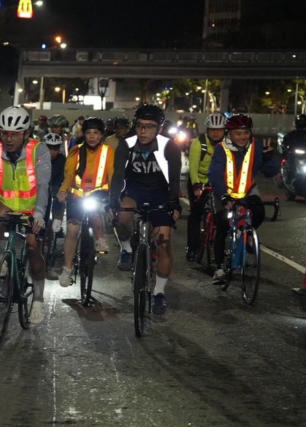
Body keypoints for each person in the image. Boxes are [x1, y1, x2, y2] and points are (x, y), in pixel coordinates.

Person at [0, 106, 50, 324]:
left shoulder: (39, 151)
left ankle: (38, 298)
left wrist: (40, 214)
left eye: (14, 134)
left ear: (26, 133)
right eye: (5, 133)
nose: (8, 138)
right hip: (6, 203)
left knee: (34, 246)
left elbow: (43, 185)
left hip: (35, 205)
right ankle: (3, 256)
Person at [110, 104, 181, 316]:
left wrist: (174, 202)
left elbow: (175, 178)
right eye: (139, 126)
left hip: (160, 191)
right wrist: (113, 200)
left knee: (163, 243)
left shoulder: (170, 146)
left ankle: (159, 292)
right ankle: (126, 248)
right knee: (122, 218)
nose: (143, 131)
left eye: (149, 127)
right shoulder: (126, 144)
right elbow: (118, 176)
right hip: (135, 189)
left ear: (159, 128)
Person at [207, 114, 279, 284]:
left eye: (246, 133)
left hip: (248, 189)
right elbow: (215, 175)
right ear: (229, 133)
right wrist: (224, 196)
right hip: (224, 191)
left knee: (259, 212)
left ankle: (246, 237)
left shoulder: (256, 146)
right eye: (238, 133)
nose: (242, 137)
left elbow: (268, 172)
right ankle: (218, 268)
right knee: (223, 225)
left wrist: (271, 159)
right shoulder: (221, 149)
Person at [57, 118, 114, 287]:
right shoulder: (76, 151)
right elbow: (68, 174)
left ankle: (100, 239)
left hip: (98, 194)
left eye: (96, 133)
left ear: (102, 135)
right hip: (77, 196)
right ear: (84, 134)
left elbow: (112, 173)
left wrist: (113, 198)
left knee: (97, 213)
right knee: (73, 229)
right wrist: (63, 190)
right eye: (88, 133)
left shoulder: (108, 151)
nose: (92, 136)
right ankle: (67, 269)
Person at [185, 113, 227, 261]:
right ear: (207, 130)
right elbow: (193, 167)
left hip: (219, 182)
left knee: (224, 215)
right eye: (212, 129)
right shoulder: (198, 143)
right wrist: (196, 185)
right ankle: (192, 247)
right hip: (200, 180)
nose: (216, 133)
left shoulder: (228, 144)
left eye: (219, 130)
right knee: (196, 213)